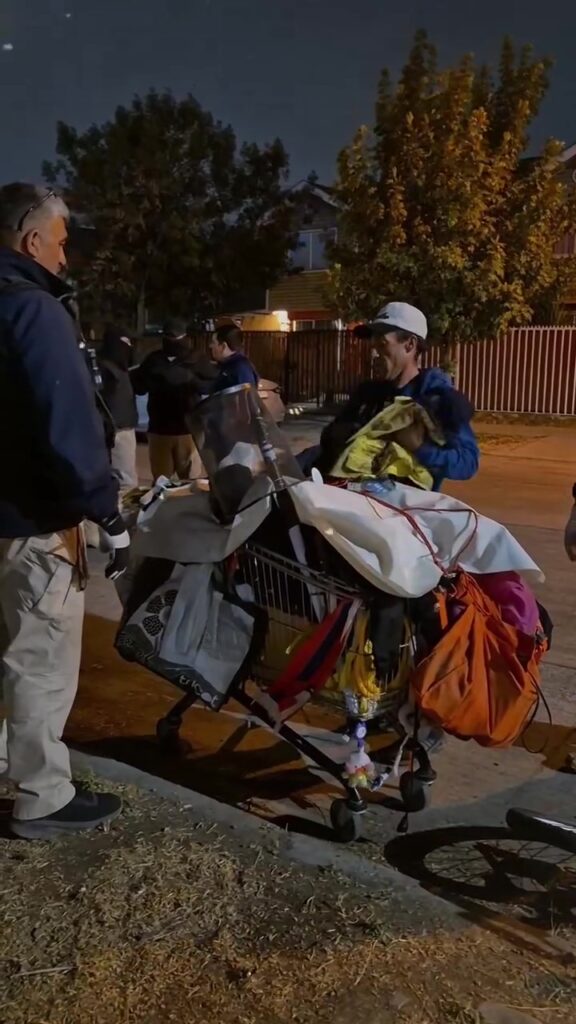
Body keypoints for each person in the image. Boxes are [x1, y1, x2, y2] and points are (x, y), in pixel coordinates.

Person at [0, 182, 128, 838]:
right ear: (31, 241)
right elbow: (66, 421)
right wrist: (105, 508)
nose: (64, 257)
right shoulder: (35, 312)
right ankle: (42, 795)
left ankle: (8, 765)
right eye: (61, 242)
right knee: (39, 658)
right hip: (34, 519)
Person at [309, 302, 479, 490]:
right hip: (351, 500)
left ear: (410, 345)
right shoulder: (366, 395)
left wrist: (420, 447)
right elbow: (330, 445)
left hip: (402, 505)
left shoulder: (437, 400)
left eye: (382, 344)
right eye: (373, 344)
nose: (374, 353)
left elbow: (468, 463)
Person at [131, 318, 215, 481]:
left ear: (185, 337)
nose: (172, 340)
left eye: (176, 336)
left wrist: (191, 379)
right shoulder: (154, 360)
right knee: (161, 482)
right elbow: (139, 388)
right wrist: (154, 380)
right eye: (168, 336)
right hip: (159, 431)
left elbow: (210, 386)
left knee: (190, 482)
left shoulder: (197, 359)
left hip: (188, 430)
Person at [98, 325, 139, 493]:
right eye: (125, 342)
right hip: (116, 430)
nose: (128, 347)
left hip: (121, 428)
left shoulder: (119, 368)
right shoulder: (104, 368)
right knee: (125, 484)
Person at [209, 324, 259, 391]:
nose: (210, 346)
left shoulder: (239, 369)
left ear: (223, 346)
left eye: (213, 342)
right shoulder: (237, 363)